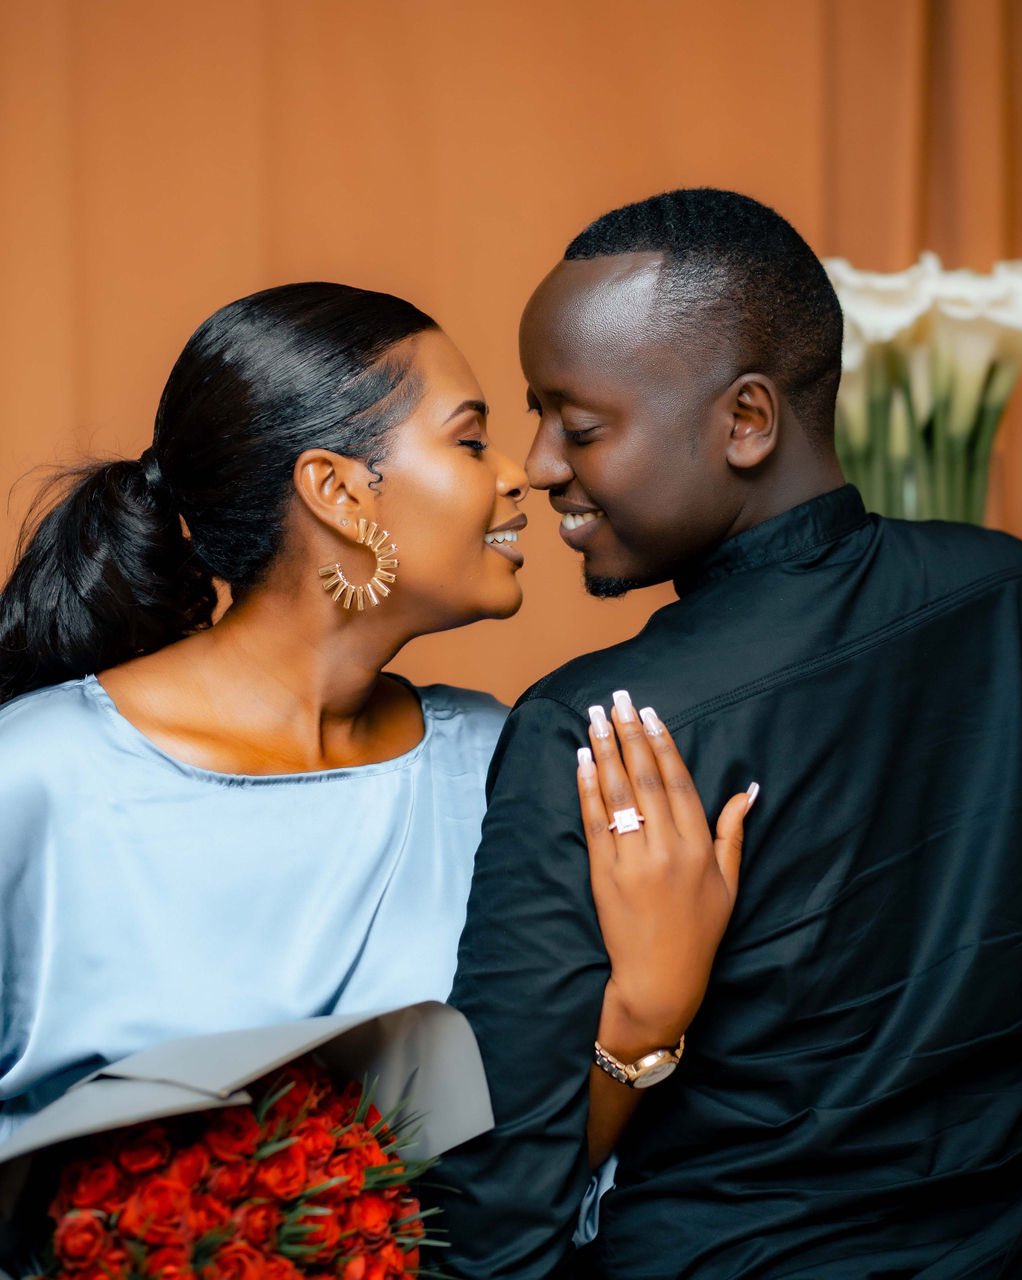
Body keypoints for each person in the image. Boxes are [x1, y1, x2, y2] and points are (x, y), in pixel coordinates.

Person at [0, 280, 750, 1202]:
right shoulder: (36, 776)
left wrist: (646, 1015)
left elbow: (513, 1186)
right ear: (339, 492)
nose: (518, 474)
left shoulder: (499, 764)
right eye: (469, 441)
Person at [432, 189, 1022, 1279]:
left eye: (579, 425)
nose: (541, 463)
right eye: (535, 416)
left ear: (747, 419)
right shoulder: (1004, 588)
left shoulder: (600, 731)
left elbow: (493, 1218)